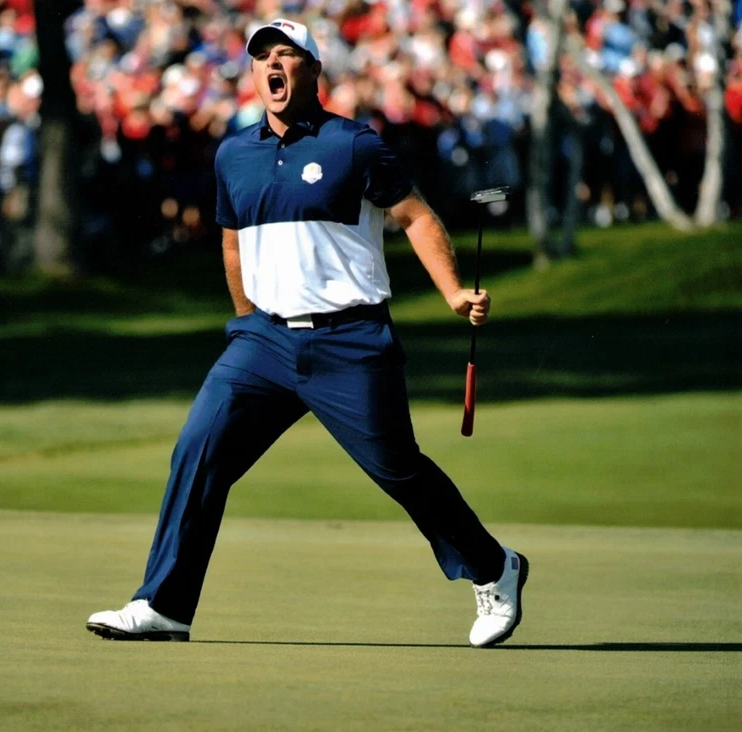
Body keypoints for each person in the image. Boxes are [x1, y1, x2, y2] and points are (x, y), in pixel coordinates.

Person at [87, 19, 529, 648]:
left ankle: (495, 567)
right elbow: (232, 240)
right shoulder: (232, 153)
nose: (272, 66)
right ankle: (163, 604)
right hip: (263, 343)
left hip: (351, 341)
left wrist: (454, 294)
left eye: (286, 56)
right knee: (197, 452)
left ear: (312, 71)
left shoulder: (354, 145)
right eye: (261, 57)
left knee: (398, 470)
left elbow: (416, 217)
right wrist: (245, 320)